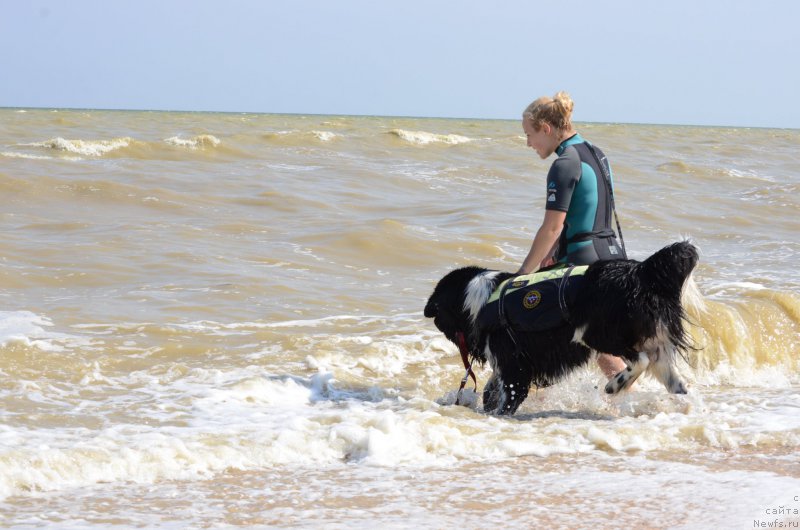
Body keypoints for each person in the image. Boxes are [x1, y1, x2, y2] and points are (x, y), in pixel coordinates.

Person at [518, 91, 628, 379]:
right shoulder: (596, 152)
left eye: (530, 135)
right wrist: (553, 252)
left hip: (583, 263)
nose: (529, 143)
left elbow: (552, 226)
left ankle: (538, 409)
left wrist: (522, 274)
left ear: (547, 128)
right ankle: (620, 410)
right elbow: (586, 209)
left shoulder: (564, 163)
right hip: (612, 256)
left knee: (542, 330)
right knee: (597, 340)